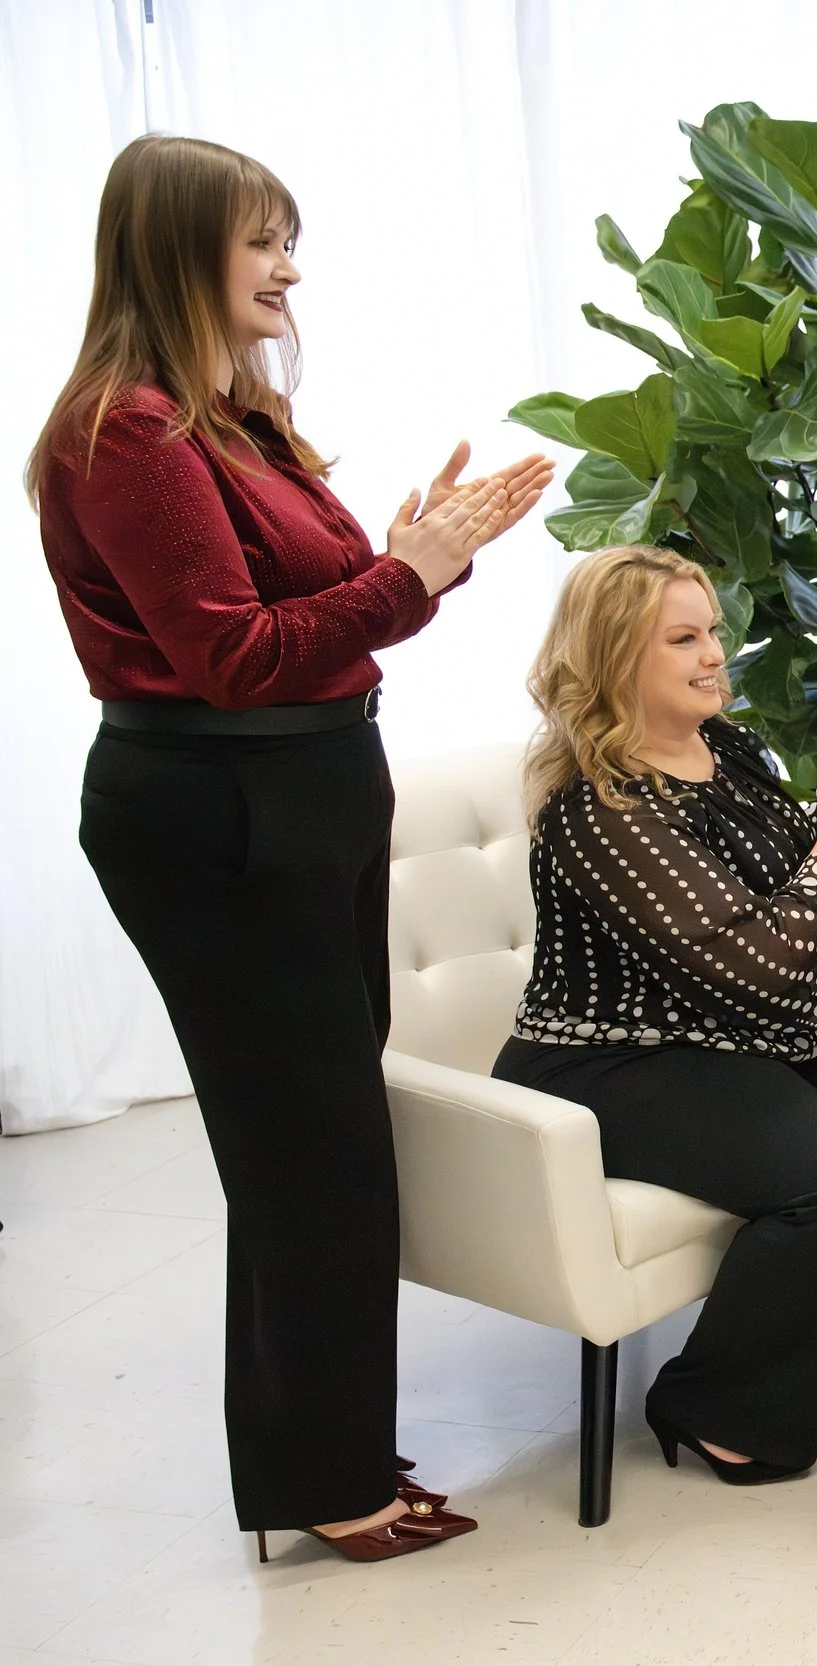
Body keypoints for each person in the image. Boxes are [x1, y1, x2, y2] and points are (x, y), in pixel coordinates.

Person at [29, 135, 551, 1562]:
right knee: (307, 1152)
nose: (289, 268)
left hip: (305, 790)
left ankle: (322, 1452)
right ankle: (329, 1481)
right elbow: (238, 657)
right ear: (178, 249)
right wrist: (408, 572)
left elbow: (329, 609)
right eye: (262, 242)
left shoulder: (232, 416)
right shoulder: (124, 432)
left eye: (288, 239)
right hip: (218, 809)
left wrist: (414, 554)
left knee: (311, 1144)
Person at [493, 546, 817, 1486]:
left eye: (711, 631)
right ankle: (712, 1403)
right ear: (618, 655)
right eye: (683, 638)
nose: (715, 653)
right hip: (611, 1060)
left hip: (725, 1029)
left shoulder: (731, 752)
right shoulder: (600, 806)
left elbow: (801, 910)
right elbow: (755, 963)